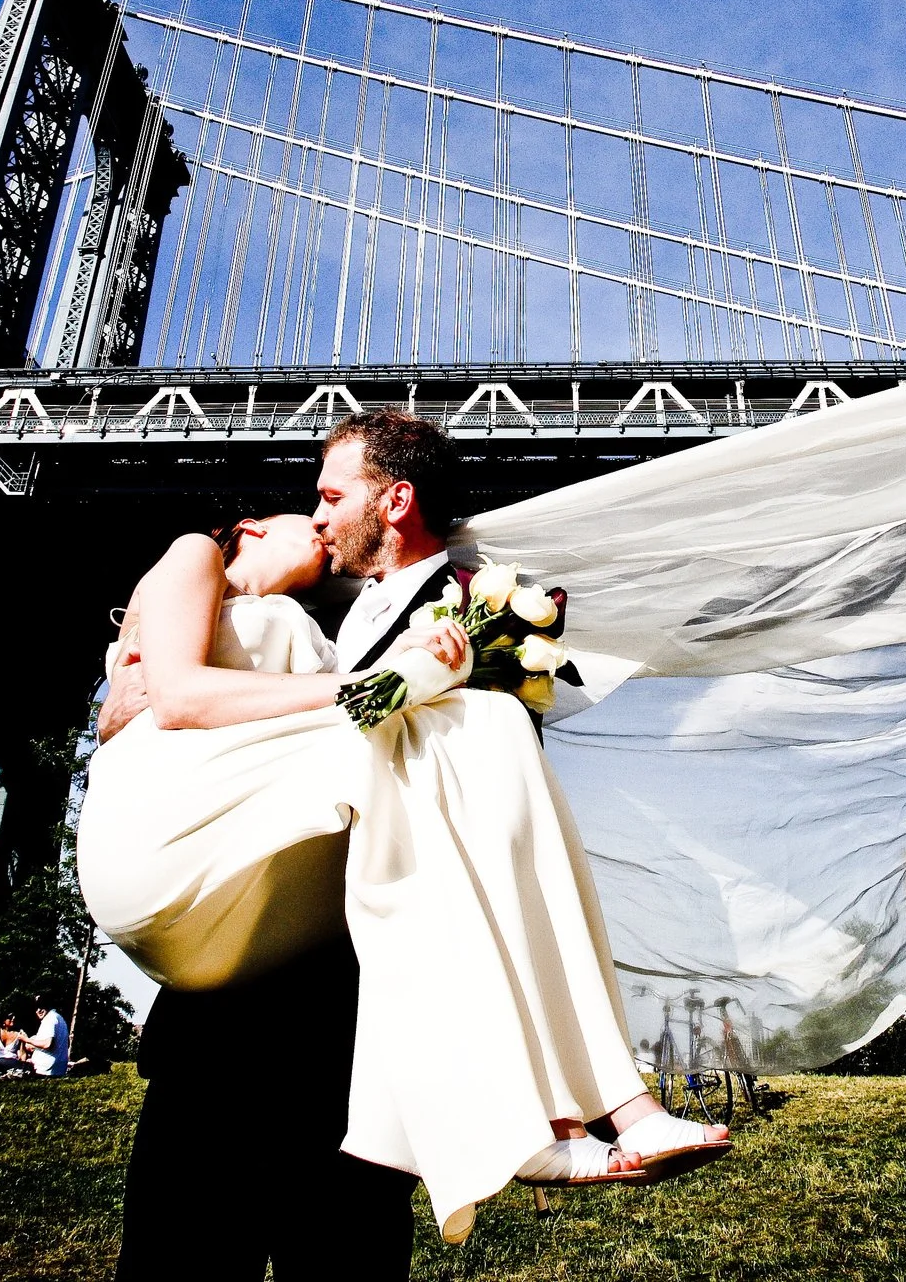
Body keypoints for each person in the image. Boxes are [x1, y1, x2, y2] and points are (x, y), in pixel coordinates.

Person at [85, 411, 727, 1269]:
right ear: (245, 530)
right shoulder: (208, 570)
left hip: (349, 1040)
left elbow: (484, 827)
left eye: (327, 499)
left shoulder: (419, 609)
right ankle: (593, 1107)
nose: (314, 522)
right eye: (303, 508)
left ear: (397, 499)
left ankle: (584, 1107)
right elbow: (176, 704)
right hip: (220, 1030)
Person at [23, 996, 69, 1077]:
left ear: (48, 1006)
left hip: (46, 1070)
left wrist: (26, 1039)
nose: (39, 1010)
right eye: (36, 1008)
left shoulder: (49, 1019)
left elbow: (47, 1044)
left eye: (42, 1007)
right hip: (57, 1068)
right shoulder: (58, 1017)